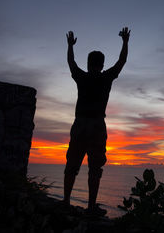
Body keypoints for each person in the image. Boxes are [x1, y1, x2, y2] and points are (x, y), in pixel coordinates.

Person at [64, 27, 130, 215]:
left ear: (88, 64)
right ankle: (91, 206)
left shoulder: (81, 77)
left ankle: (66, 201)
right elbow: (121, 61)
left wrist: (70, 46)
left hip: (80, 125)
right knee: (95, 168)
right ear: (102, 65)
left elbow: (70, 62)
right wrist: (125, 42)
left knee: (72, 165)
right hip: (96, 126)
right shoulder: (105, 78)